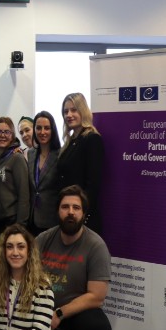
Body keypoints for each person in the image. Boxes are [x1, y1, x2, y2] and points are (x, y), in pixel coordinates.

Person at [36, 185, 111, 330]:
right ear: (57, 211)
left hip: (75, 315)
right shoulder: (43, 240)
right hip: (43, 315)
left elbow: (97, 296)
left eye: (76, 208)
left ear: (83, 214)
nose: (70, 212)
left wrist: (59, 313)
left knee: (99, 329)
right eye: (65, 207)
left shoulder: (96, 245)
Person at [57, 92, 104, 234]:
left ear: (83, 111)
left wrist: (81, 212)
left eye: (73, 110)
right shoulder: (70, 142)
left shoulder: (92, 139)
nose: (69, 115)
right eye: (65, 111)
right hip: (68, 215)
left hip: (83, 217)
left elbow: (93, 184)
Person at [0, 117, 30, 252]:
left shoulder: (17, 158)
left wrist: (19, 226)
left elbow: (24, 195)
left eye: (7, 132)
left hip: (10, 223)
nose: (2, 135)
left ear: (12, 135)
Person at [28, 111, 61, 234]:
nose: (42, 132)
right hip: (32, 219)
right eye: (38, 128)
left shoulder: (61, 154)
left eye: (47, 128)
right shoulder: (30, 154)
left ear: (53, 130)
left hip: (52, 219)